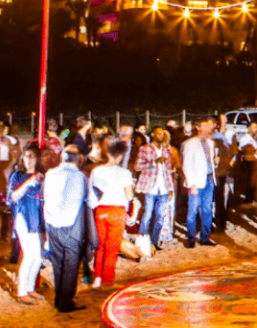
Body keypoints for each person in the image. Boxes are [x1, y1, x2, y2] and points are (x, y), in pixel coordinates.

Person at [41, 148, 94, 312]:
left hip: (52, 221)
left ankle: (59, 297)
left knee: (57, 263)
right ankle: (65, 301)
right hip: (72, 223)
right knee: (71, 263)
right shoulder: (81, 176)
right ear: (79, 160)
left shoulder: (50, 173)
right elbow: (91, 200)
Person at [87, 138, 137, 289]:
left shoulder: (96, 170)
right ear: (120, 155)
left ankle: (97, 278)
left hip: (100, 210)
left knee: (100, 246)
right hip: (117, 210)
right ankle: (108, 279)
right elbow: (129, 196)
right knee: (112, 247)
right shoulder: (124, 173)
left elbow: (92, 193)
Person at [6, 147, 46, 303]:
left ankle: (30, 288)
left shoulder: (41, 177)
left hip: (37, 218)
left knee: (37, 257)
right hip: (23, 217)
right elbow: (12, 197)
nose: (29, 159)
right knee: (29, 255)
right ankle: (22, 291)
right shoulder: (17, 176)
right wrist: (28, 183)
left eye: (33, 156)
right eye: (27, 156)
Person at [133, 127, 178, 257]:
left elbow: (168, 171)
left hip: (163, 188)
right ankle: (141, 243)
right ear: (152, 134)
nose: (161, 136)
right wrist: (154, 162)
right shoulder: (145, 149)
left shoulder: (165, 151)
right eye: (158, 133)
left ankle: (153, 242)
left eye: (162, 134)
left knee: (160, 217)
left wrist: (170, 188)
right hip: (150, 188)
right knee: (147, 215)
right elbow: (137, 166)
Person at [179, 118, 219, 248]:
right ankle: (191, 237)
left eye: (209, 125)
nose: (208, 128)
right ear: (198, 127)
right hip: (196, 181)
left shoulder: (210, 142)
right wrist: (191, 183)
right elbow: (187, 164)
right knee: (193, 210)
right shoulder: (190, 143)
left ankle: (205, 237)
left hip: (208, 179)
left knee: (207, 210)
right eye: (205, 125)